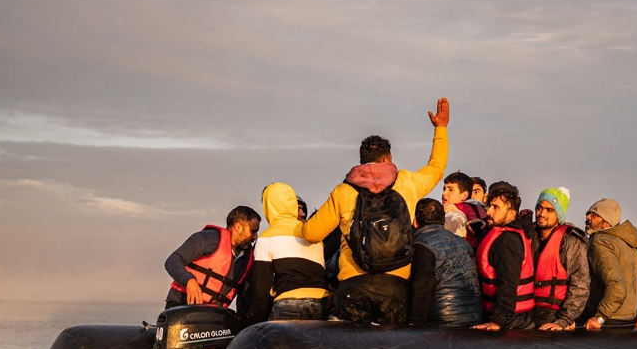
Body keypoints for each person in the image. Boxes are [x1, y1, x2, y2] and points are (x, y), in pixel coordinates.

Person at [301, 97, 450, 324]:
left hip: (353, 286)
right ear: (387, 158)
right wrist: (441, 129)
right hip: (396, 287)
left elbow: (311, 234)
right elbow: (436, 168)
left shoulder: (343, 191)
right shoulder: (406, 182)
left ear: (361, 162)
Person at [247, 183, 329, 322]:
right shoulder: (313, 234)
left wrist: (257, 324)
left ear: (269, 206)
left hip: (288, 305)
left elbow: (261, 290)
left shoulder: (267, 238)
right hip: (321, 305)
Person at [164, 206, 260, 311]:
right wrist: (189, 281)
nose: (256, 237)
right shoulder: (207, 239)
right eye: (253, 231)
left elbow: (246, 295)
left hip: (213, 315)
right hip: (181, 305)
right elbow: (172, 261)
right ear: (238, 227)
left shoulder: (248, 258)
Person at [470, 183, 536, 331]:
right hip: (512, 316)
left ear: (512, 213)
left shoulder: (507, 240)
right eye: (489, 206)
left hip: (512, 320)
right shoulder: (504, 234)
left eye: (496, 207)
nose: (489, 212)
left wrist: (498, 321)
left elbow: (508, 283)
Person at [408, 198, 483, 328]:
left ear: (415, 221)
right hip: (474, 316)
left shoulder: (421, 244)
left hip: (442, 318)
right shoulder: (463, 243)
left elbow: (423, 285)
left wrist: (415, 322)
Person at [581, 199, 637, 330]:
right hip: (629, 320)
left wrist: (600, 317)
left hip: (607, 322)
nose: (587, 217)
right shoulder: (627, 244)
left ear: (606, 222)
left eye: (594, 215)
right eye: (588, 213)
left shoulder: (599, 243)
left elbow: (617, 285)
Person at [531, 187, 589, 331]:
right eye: (540, 208)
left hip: (554, 315)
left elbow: (580, 284)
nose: (542, 214)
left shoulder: (570, 242)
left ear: (559, 214)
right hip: (527, 313)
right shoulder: (528, 236)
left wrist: (564, 320)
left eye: (550, 210)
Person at [442, 171, 487, 247]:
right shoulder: (484, 211)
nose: (444, 193)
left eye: (451, 190)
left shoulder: (454, 212)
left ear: (464, 195)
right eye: (444, 189)